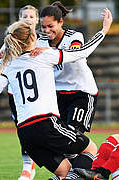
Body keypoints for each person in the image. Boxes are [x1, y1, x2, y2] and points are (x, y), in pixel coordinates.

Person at [0, 8, 113, 180]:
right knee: (91, 149)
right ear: (33, 38)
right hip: (47, 124)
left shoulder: (8, 66)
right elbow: (82, 53)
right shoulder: (45, 55)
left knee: (65, 172)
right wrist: (104, 30)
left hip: (25, 133)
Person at [35, 2, 99, 175]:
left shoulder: (74, 36)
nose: (46, 30)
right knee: (59, 141)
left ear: (61, 22)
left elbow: (72, 55)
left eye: (51, 26)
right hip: (56, 95)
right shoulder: (39, 40)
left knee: (73, 137)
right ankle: (72, 174)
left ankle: (90, 170)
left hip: (81, 92)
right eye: (43, 26)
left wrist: (47, 54)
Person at [0, 5, 39, 180]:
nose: (28, 19)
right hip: (17, 94)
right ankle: (27, 168)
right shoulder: (9, 42)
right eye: (24, 16)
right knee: (24, 131)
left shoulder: (43, 40)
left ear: (37, 20)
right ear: (19, 19)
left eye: (31, 16)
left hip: (42, 95)